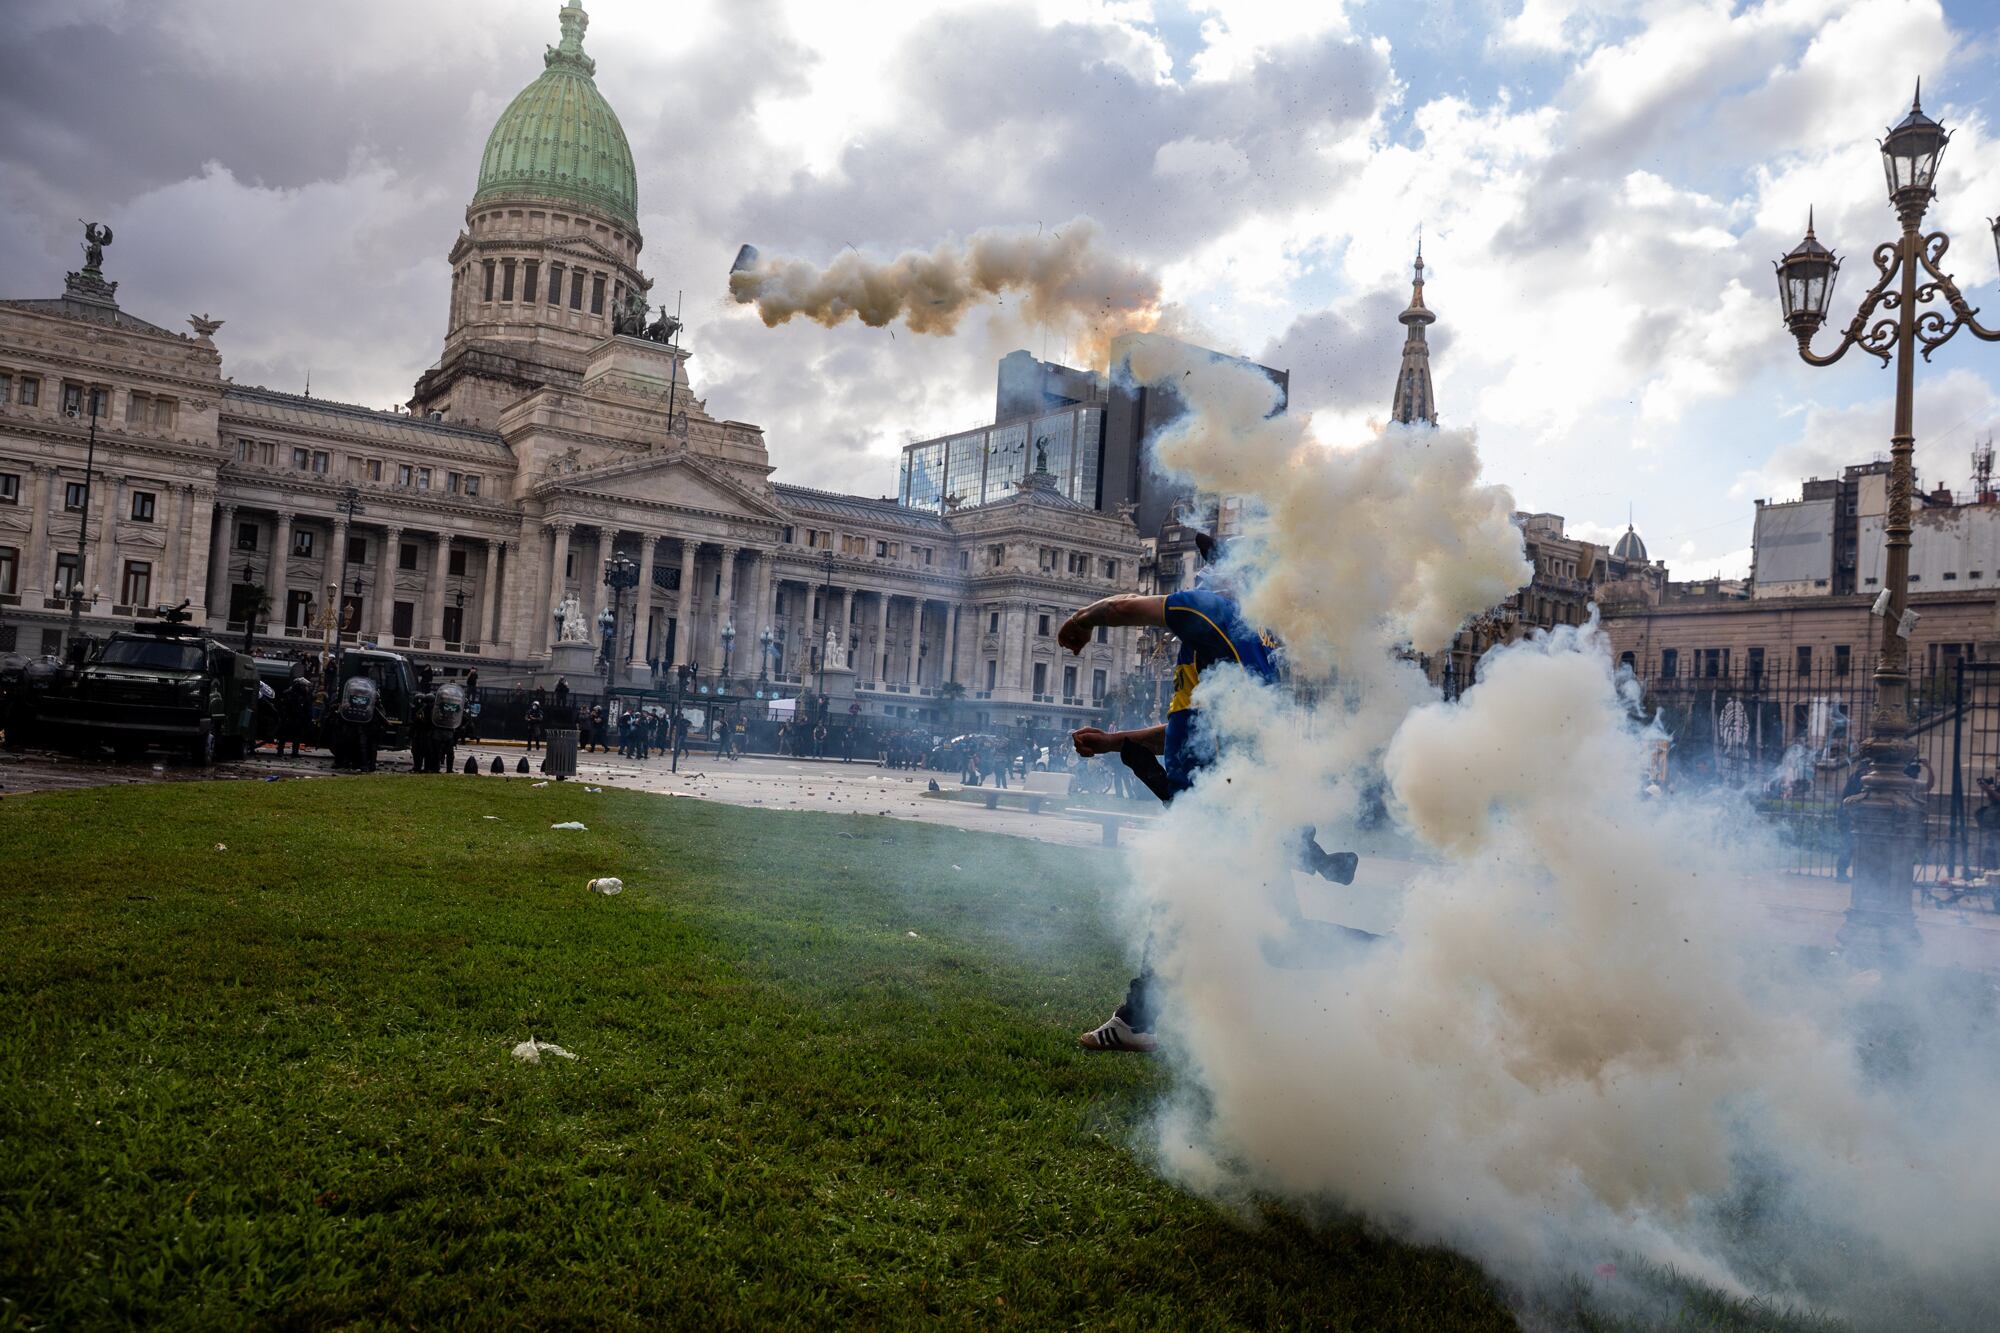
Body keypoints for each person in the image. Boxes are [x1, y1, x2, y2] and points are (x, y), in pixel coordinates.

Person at [1059, 537, 1358, 1053]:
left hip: (1226, 810)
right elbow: (1185, 728)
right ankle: (1398, 966)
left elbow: (1128, 607)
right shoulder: (1230, 648)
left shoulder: (1220, 614)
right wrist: (1116, 742)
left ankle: (1404, 961)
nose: (1201, 575)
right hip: (1234, 808)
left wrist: (1083, 618)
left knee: (1192, 905)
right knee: (1266, 935)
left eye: (1216, 565)